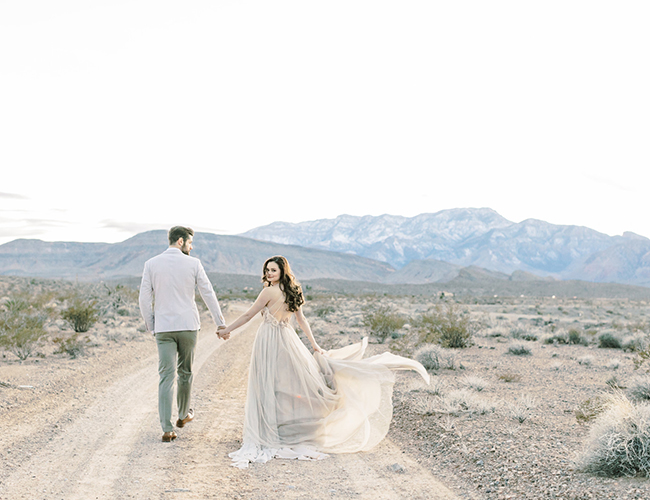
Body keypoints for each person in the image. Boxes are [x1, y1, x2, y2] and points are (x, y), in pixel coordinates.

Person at [220, 255, 430, 468]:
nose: (268, 274)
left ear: (283, 271)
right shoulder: (293, 291)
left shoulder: (268, 291)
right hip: (287, 339)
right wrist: (314, 345)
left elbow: (249, 315)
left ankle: (272, 430)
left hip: (269, 340)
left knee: (270, 383)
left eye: (273, 270)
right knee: (285, 383)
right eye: (267, 270)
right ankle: (283, 429)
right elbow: (301, 321)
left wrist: (227, 330)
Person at [139, 226, 229, 442]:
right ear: (180, 241)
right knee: (185, 372)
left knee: (166, 376)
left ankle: (167, 429)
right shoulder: (193, 263)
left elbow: (143, 298)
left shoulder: (151, 264)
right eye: (190, 243)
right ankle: (183, 414)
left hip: (164, 328)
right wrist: (220, 323)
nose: (191, 247)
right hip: (188, 326)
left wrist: (152, 325)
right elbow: (208, 292)